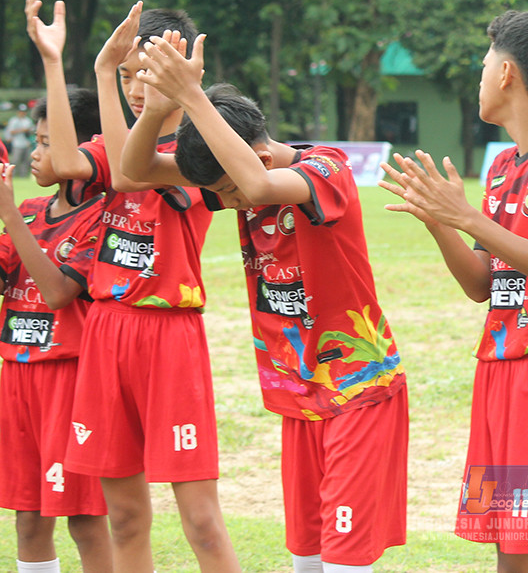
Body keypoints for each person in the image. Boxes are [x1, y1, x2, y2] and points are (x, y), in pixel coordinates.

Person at [120, 32, 408, 573]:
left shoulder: (326, 170)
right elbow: (134, 171)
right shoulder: (235, 171)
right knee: (306, 559)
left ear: (255, 152)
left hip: (357, 391)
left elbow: (253, 187)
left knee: (346, 564)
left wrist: (193, 96)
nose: (225, 203)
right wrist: (161, 105)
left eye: (223, 192)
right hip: (298, 397)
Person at [381, 10, 528, 573]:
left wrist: (465, 215)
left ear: (507, 73)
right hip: (500, 374)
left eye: (483, 65)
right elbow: (482, 284)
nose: (478, 77)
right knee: (510, 552)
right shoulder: (505, 165)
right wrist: (440, 221)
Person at [24, 0, 240, 572]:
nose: (136, 86)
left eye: (145, 72)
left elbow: (129, 171)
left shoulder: (200, 147)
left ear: (178, 67)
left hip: (169, 336)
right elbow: (70, 164)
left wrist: (113, 79)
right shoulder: (115, 138)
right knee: (122, 515)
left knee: (200, 520)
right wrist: (59, 62)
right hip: (106, 332)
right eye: (126, 75)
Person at [0, 88, 112, 573]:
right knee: (28, 516)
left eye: (48, 143)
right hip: (16, 375)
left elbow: (59, 294)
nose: (37, 153)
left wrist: (8, 215)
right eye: (37, 141)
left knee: (84, 519)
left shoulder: (102, 217)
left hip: (69, 378)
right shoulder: (28, 211)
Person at [6, 104, 34, 171]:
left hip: (26, 143)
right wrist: (22, 130)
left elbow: (32, 131)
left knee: (25, 161)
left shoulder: (28, 121)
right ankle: (12, 175)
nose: (22, 113)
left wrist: (28, 131)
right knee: (15, 161)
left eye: (24, 111)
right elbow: (11, 131)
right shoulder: (14, 120)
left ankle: (23, 176)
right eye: (21, 111)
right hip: (17, 143)